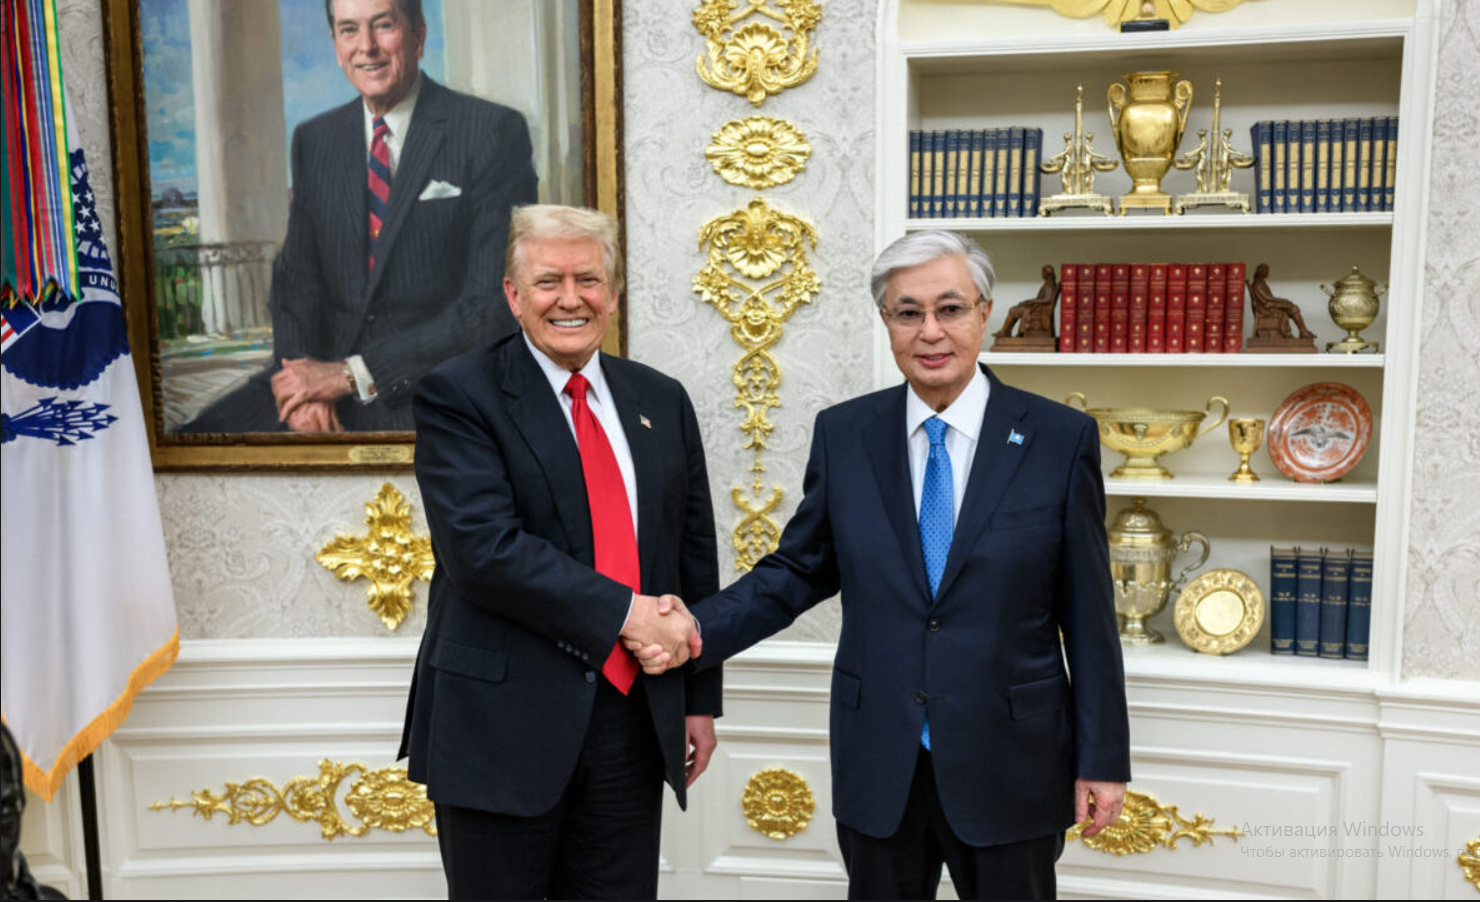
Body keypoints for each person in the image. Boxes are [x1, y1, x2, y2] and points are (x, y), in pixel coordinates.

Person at [635, 230, 1130, 900]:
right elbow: (797, 571)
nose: (931, 332)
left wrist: (1103, 759)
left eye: (950, 309)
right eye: (908, 313)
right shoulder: (846, 434)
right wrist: (694, 629)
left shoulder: (1058, 438)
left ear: (985, 312)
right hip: (881, 760)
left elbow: (1090, 615)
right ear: (886, 321)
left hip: (1011, 759)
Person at [399, 204, 721, 899]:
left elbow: (691, 552)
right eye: (549, 281)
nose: (570, 299)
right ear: (514, 295)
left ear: (614, 293)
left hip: (633, 721)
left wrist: (698, 698)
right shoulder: (459, 394)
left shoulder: (661, 399)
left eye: (588, 280)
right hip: (500, 726)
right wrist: (631, 615)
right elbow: (483, 550)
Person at [184, 0, 537, 433]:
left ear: (418, 34)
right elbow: (295, 282)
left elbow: (490, 304)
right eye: (349, 30)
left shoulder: (490, 132)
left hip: (427, 384)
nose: (366, 47)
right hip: (320, 379)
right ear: (335, 44)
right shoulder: (316, 140)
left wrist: (349, 375)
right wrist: (303, 385)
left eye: (383, 25)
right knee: (188, 447)